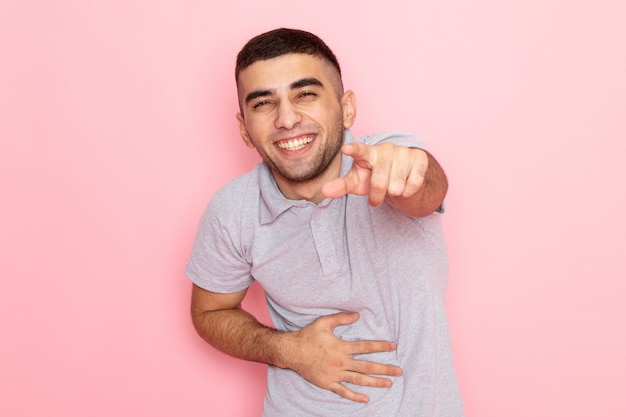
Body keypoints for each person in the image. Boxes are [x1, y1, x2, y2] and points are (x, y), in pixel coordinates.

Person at [186, 28, 465, 416]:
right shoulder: (233, 210)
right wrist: (287, 349)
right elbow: (209, 312)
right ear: (243, 128)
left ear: (346, 107)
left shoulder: (386, 159)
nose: (286, 119)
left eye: (305, 94)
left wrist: (408, 170)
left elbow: (426, 188)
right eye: (264, 103)